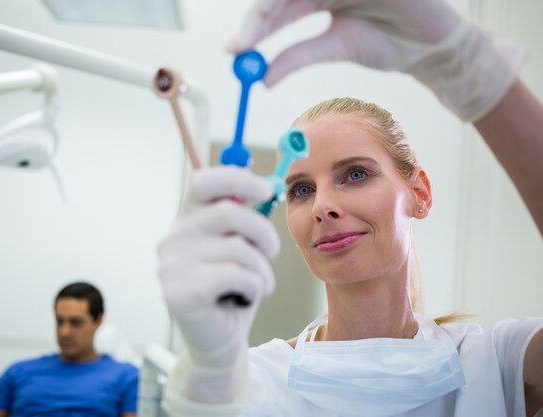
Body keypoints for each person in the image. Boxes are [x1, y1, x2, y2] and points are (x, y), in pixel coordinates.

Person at [157, 1, 543, 416]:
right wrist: (207, 373)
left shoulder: (500, 365)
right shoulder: (252, 381)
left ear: (420, 194)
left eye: (355, 175)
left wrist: (472, 70)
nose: (322, 206)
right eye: (301, 189)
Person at [0, 282, 139, 417]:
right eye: (59, 321)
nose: (64, 332)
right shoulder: (18, 372)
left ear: (98, 320)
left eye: (75, 323)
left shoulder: (126, 377)